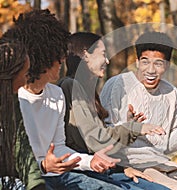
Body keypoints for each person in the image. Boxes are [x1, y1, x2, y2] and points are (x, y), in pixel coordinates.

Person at [3, 9, 125, 190]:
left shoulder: (56, 95)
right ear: (42, 57)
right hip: (25, 180)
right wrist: (43, 166)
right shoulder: (13, 100)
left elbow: (59, 148)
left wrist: (90, 161)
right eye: (57, 54)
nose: (62, 59)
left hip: (60, 175)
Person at [100, 31, 177, 190]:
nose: (150, 70)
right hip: (131, 164)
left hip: (163, 163)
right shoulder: (117, 85)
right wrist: (130, 126)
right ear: (137, 62)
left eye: (158, 63)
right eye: (145, 62)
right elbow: (102, 135)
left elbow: (169, 146)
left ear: (167, 65)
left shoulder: (170, 92)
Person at [57, 32, 168, 190]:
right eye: (103, 54)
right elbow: (96, 141)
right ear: (85, 55)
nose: (107, 61)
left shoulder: (86, 90)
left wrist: (123, 168)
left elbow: (99, 139)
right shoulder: (70, 86)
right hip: (83, 170)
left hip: (103, 168)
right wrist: (137, 128)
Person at [0, 38, 46, 190]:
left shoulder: (11, 102)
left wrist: (36, 184)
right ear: (11, 75)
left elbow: (21, 145)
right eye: (25, 74)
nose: (27, 79)